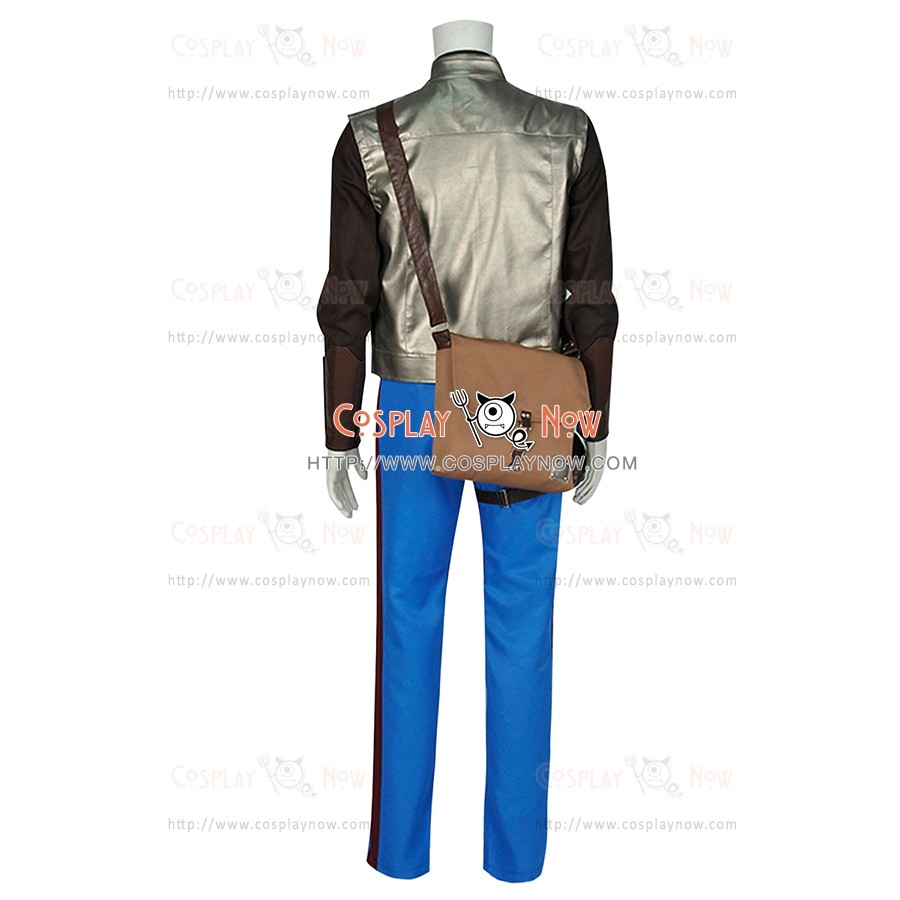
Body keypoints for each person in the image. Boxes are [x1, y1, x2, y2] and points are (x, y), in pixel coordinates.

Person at [316, 20, 619, 883]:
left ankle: (401, 858)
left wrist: (340, 423)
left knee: (407, 613)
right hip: (531, 401)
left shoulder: (371, 135)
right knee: (523, 622)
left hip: (415, 401)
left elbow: (348, 293)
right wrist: (595, 418)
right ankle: (516, 864)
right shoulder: (567, 133)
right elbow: (590, 292)